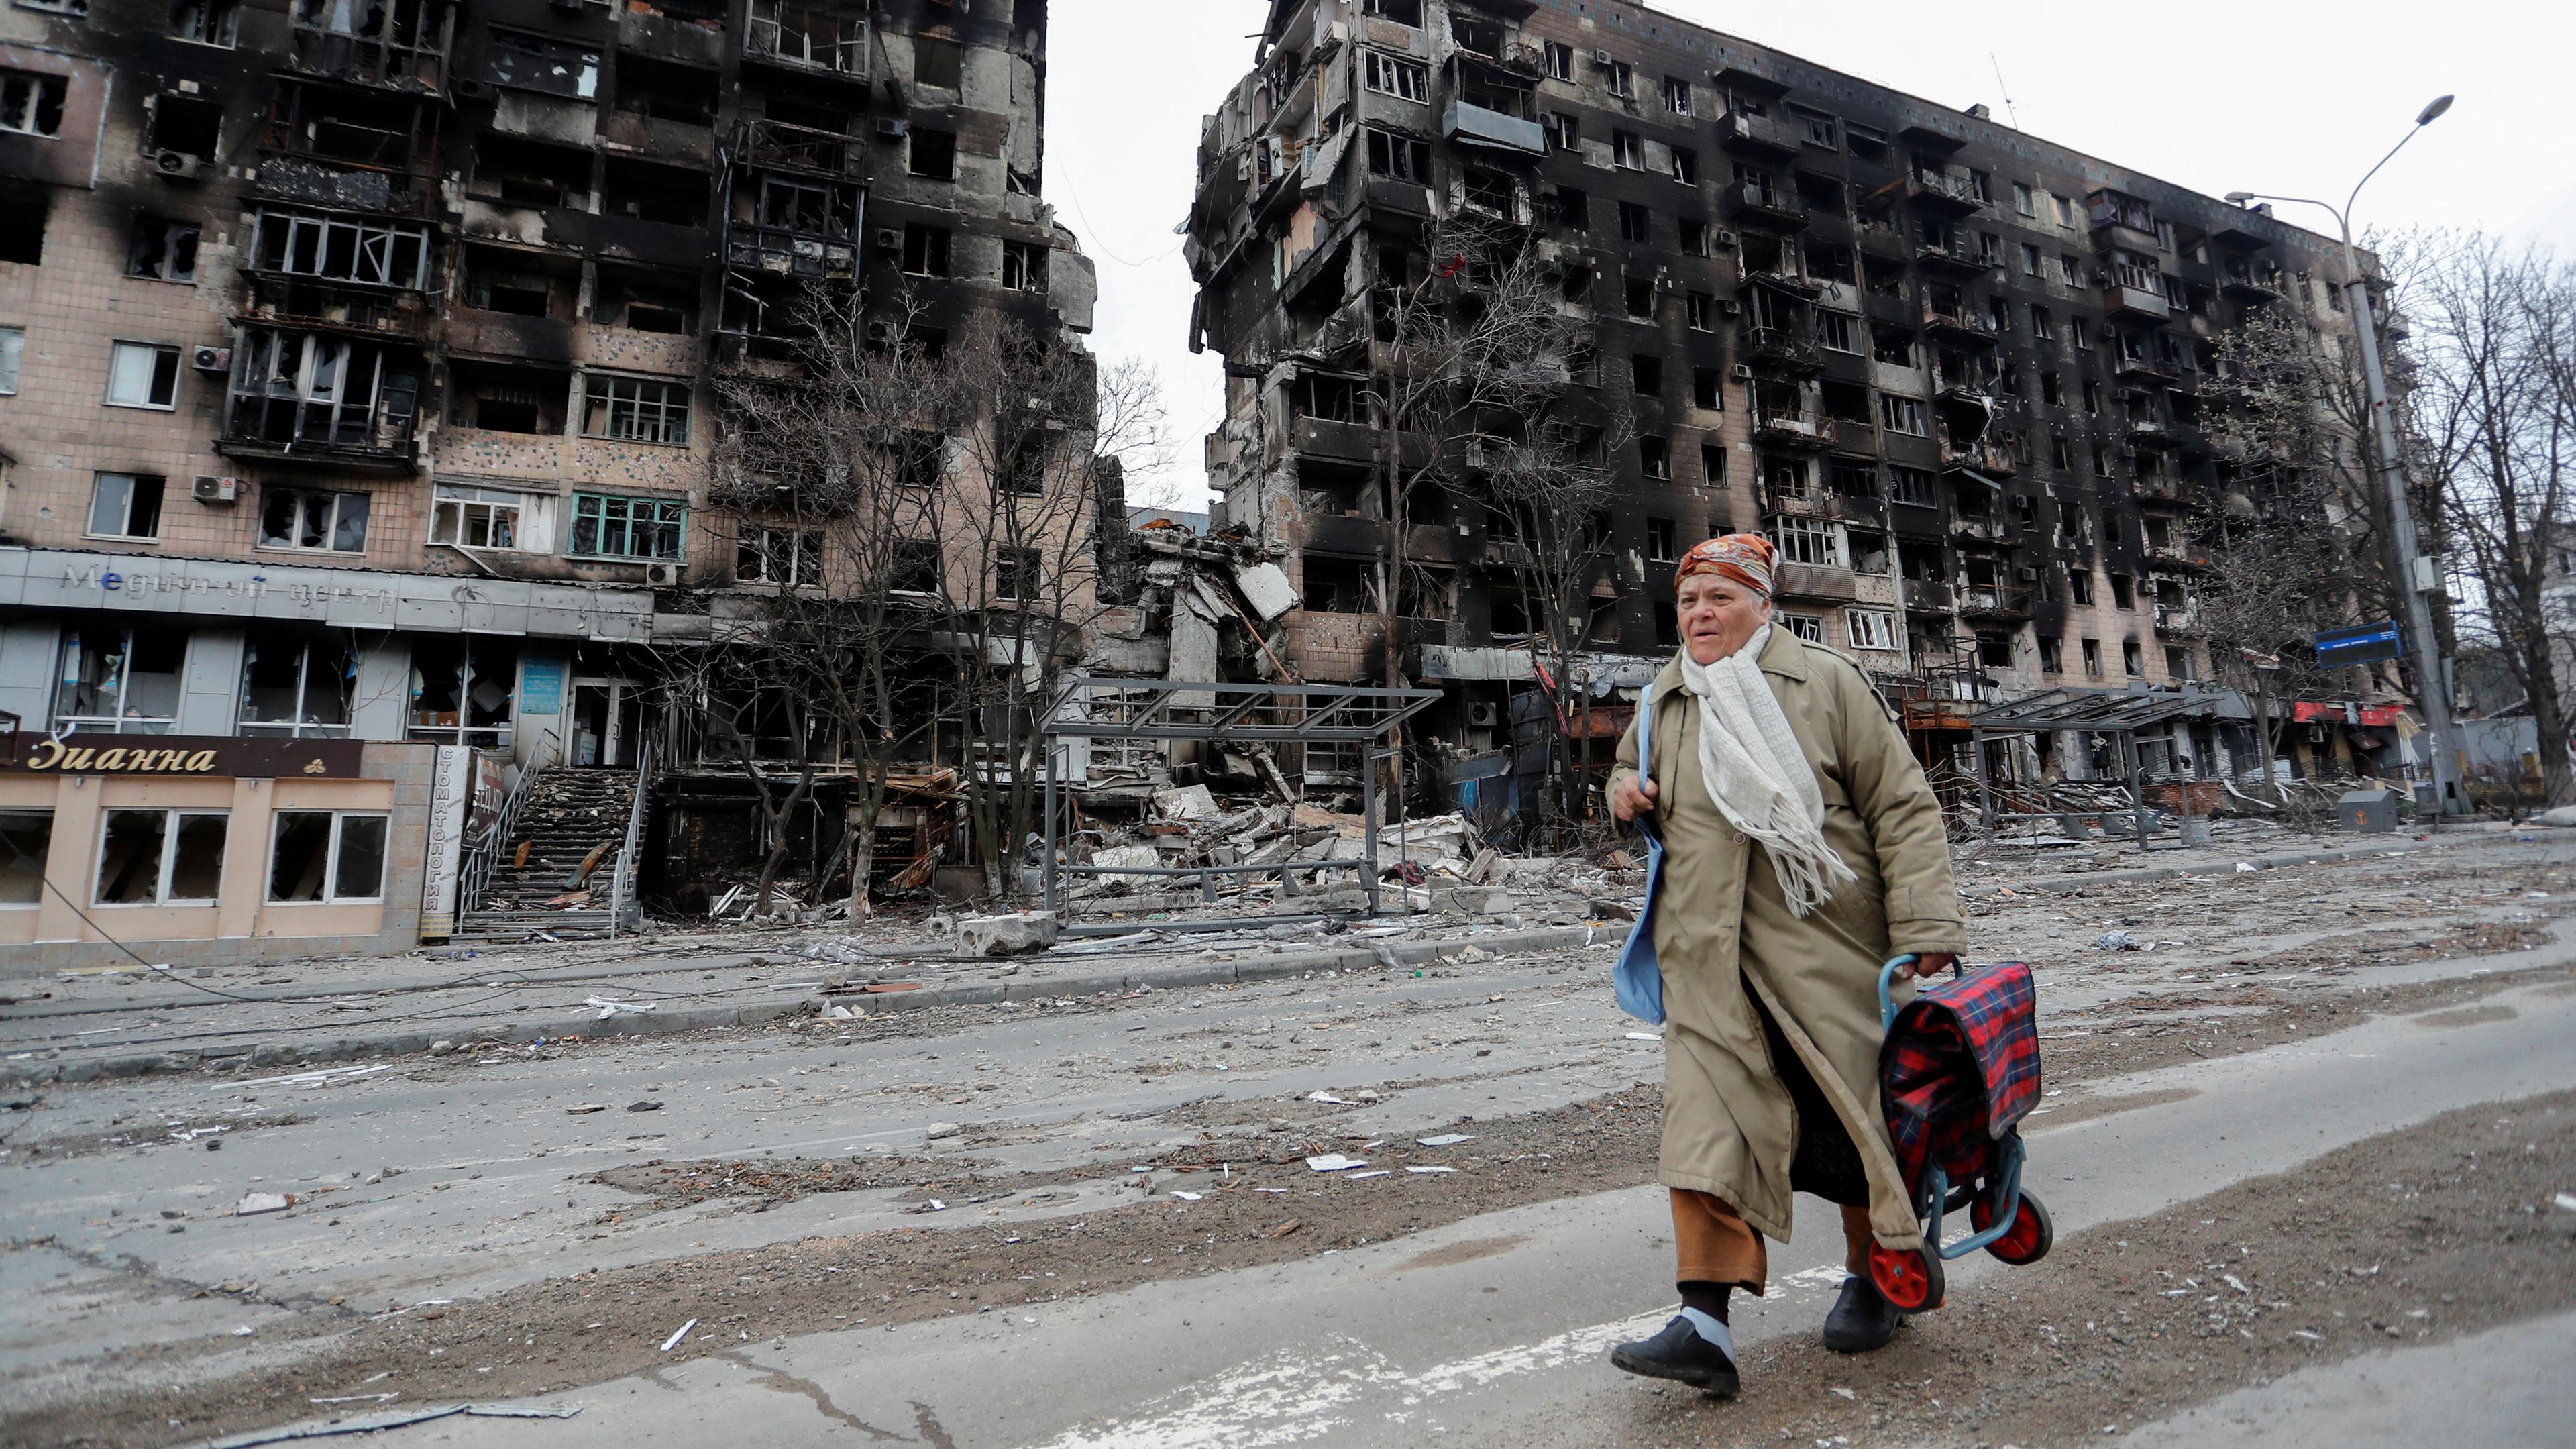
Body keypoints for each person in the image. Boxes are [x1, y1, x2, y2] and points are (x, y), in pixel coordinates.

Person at [1602, 533, 1964, 1397]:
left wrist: (1926, 921)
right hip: (1707, 959)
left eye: (1717, 600)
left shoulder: (1827, 685)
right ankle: (1703, 1323)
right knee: (1704, 1135)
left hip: (1825, 955)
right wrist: (1621, 794)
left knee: (1847, 1126)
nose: (1699, 616)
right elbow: (1629, 769)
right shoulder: (1665, 697)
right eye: (1688, 603)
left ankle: (1874, 1275)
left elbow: (1902, 805)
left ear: (1763, 606)